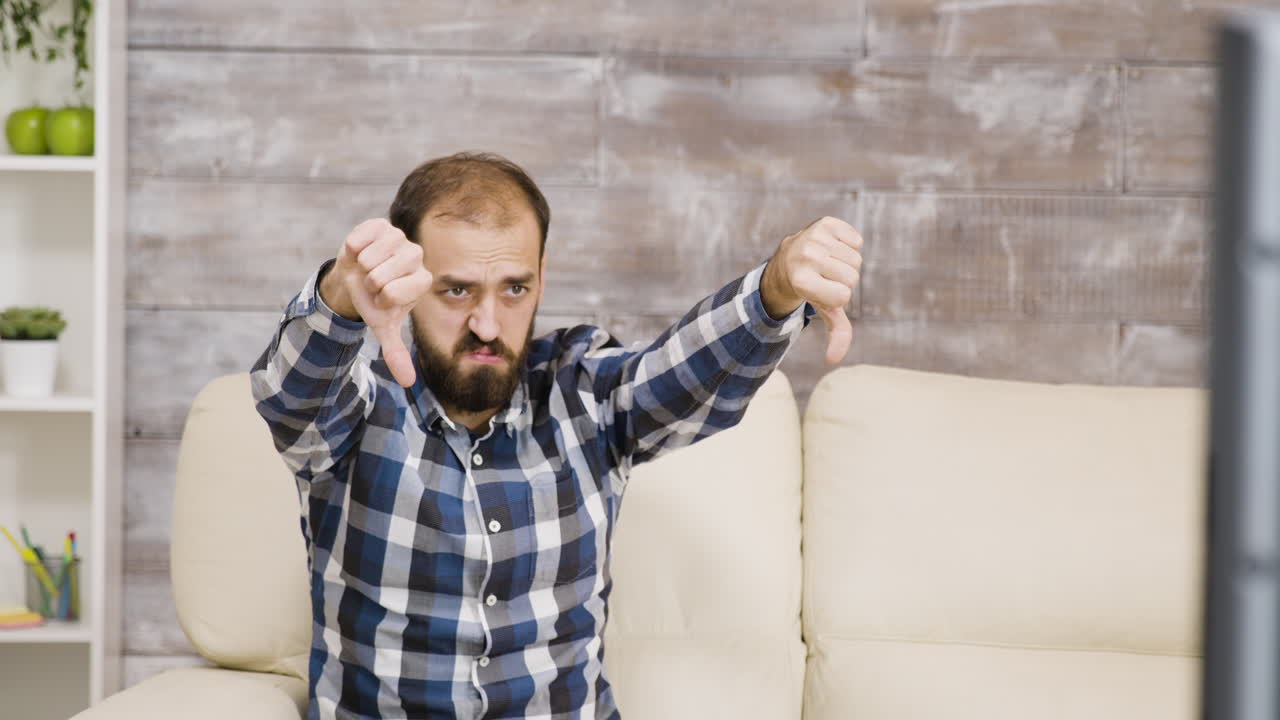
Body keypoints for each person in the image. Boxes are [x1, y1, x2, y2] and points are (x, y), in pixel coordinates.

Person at [249, 151, 863, 720]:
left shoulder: (583, 391)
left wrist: (776, 289)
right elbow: (289, 400)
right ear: (406, 283)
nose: (487, 325)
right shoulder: (353, 406)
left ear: (541, 278)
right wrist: (340, 297)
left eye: (513, 288)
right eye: (456, 289)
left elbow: (683, 379)